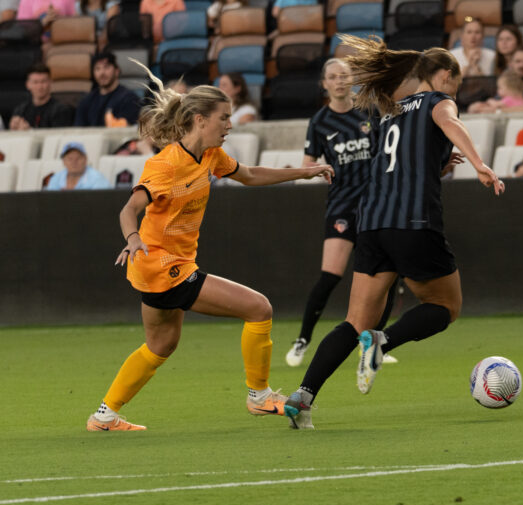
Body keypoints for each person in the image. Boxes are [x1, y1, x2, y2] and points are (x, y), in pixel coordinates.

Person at [85, 62, 334, 432]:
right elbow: (130, 208)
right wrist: (133, 238)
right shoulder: (165, 164)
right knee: (258, 308)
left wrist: (304, 171)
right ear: (200, 120)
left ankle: (104, 416)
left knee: (160, 345)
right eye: (224, 117)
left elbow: (248, 175)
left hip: (157, 267)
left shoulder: (210, 156)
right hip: (162, 266)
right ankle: (260, 396)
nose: (229, 125)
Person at [282, 35, 504, 430]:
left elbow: (402, 167)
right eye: (456, 81)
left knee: (353, 322)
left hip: (372, 224)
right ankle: (383, 342)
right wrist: (480, 163)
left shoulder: (391, 112)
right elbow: (451, 121)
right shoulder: (438, 100)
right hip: (414, 222)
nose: (456, 89)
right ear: (444, 75)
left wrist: (441, 166)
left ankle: (303, 397)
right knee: (445, 308)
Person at [285, 58, 397, 367]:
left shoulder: (370, 111)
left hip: (376, 205)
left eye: (344, 76)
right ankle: (302, 340)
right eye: (333, 77)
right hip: (341, 206)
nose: (339, 81)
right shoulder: (320, 121)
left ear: (353, 80)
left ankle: (374, 343)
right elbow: (308, 163)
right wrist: (317, 169)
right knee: (330, 275)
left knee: (383, 276)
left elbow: (389, 148)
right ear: (324, 84)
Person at [74, 52, 142, 127]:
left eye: (106, 67)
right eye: (97, 69)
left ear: (117, 71)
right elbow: (79, 131)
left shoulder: (130, 99)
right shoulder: (86, 101)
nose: (102, 73)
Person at [9, 63, 74, 130]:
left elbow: (58, 137)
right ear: (28, 85)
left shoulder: (61, 110)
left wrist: (29, 131)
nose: (40, 87)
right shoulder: (21, 110)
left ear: (50, 82)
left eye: (43, 81)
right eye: (35, 82)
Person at [44, 141, 110, 191]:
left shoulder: (97, 178)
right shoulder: (56, 178)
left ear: (85, 159)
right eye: (70, 159)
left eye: (78, 158)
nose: (74, 162)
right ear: (64, 161)